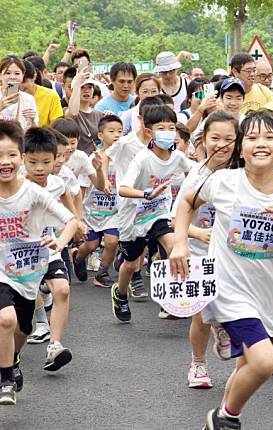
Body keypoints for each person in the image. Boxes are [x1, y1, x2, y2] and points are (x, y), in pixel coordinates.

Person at [170, 110, 273, 429]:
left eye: (269, 138)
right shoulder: (224, 182)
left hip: (268, 296)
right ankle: (226, 417)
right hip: (227, 290)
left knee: (246, 366)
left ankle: (219, 419)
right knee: (264, 362)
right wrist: (180, 242)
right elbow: (185, 202)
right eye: (251, 137)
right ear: (241, 149)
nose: (260, 144)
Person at [0, 121, 77, 405]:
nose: (5, 162)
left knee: (22, 329)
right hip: (1, 271)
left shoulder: (34, 192)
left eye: (10, 155)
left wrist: (62, 241)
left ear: (19, 157)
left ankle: (14, 359)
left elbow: (71, 218)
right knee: (4, 319)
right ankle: (5, 380)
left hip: (29, 270)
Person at [172, 111, 238, 389]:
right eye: (215, 138)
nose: (221, 145)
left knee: (233, 307)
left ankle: (222, 327)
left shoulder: (241, 174)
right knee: (200, 313)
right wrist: (197, 233)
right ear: (203, 140)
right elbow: (176, 219)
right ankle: (198, 364)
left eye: (229, 139)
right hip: (200, 253)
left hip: (235, 254)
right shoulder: (196, 177)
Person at [112, 105, 192, 322]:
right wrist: (146, 194)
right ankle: (120, 294)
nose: (168, 132)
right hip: (133, 216)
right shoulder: (142, 159)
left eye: (171, 128)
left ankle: (172, 298)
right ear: (148, 132)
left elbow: (198, 171)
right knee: (131, 265)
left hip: (159, 213)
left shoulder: (178, 157)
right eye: (161, 128)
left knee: (173, 246)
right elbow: (123, 189)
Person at [23, 127, 81, 374]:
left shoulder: (57, 183)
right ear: (22, 158)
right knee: (18, 316)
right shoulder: (13, 185)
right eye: (33, 162)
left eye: (46, 162)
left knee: (63, 289)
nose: (39, 168)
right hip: (17, 253)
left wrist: (77, 223)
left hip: (49, 247)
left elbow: (68, 203)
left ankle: (54, 345)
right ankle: (14, 355)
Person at [71, 115, 123, 288]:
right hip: (92, 211)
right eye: (111, 131)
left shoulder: (124, 158)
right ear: (100, 135)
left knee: (111, 242)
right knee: (91, 245)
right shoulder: (92, 159)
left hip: (113, 211)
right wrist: (79, 214)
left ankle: (102, 273)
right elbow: (82, 188)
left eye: (120, 131)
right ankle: (78, 258)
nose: (116, 135)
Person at [64, 66, 103, 154]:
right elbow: (73, 112)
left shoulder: (99, 114)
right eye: (82, 87)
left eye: (89, 87)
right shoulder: (67, 111)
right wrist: (77, 83)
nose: (86, 91)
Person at [0, 56, 39, 129]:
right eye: (7, 73)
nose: (12, 77)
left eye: (17, 73)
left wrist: (32, 120)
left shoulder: (28, 99)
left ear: (22, 75)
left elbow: (34, 131)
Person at [20, 60, 63, 126]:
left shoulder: (50, 96)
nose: (20, 86)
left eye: (23, 82)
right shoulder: (7, 96)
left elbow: (56, 127)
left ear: (34, 77)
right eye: (16, 82)